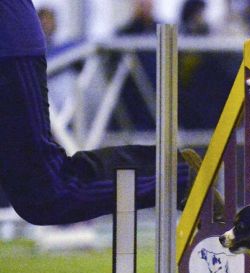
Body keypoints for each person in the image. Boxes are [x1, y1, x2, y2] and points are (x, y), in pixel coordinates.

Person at [0, 0, 192, 226]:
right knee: (42, 193)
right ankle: (178, 173)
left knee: (45, 192)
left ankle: (180, 174)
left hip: (8, 44)